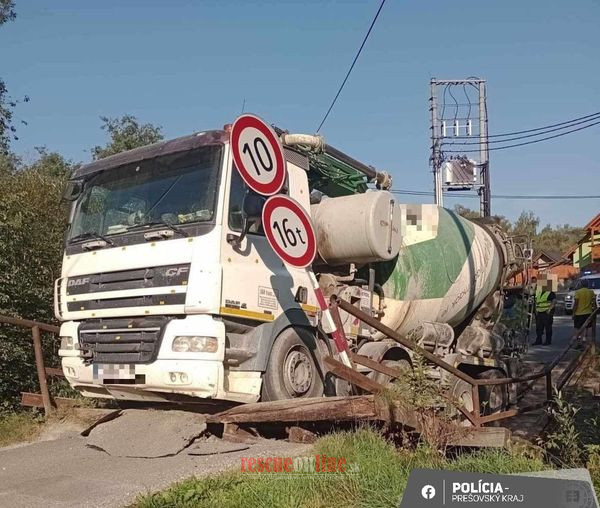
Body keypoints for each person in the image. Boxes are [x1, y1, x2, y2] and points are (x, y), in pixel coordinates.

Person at [534, 276, 556, 345]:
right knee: (539, 328)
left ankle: (548, 341)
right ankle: (538, 340)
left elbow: (554, 301)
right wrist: (536, 310)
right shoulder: (538, 292)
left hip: (547, 312)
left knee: (548, 327)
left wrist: (549, 309)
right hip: (539, 312)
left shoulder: (550, 292)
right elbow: (536, 301)